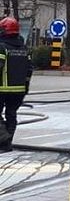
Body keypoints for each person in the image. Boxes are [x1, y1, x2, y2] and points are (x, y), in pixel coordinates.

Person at [0, 17, 33, 152]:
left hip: (2, 89)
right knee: (11, 114)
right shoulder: (24, 48)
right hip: (19, 90)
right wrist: (25, 88)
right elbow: (29, 70)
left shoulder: (2, 47)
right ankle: (7, 144)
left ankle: (5, 140)